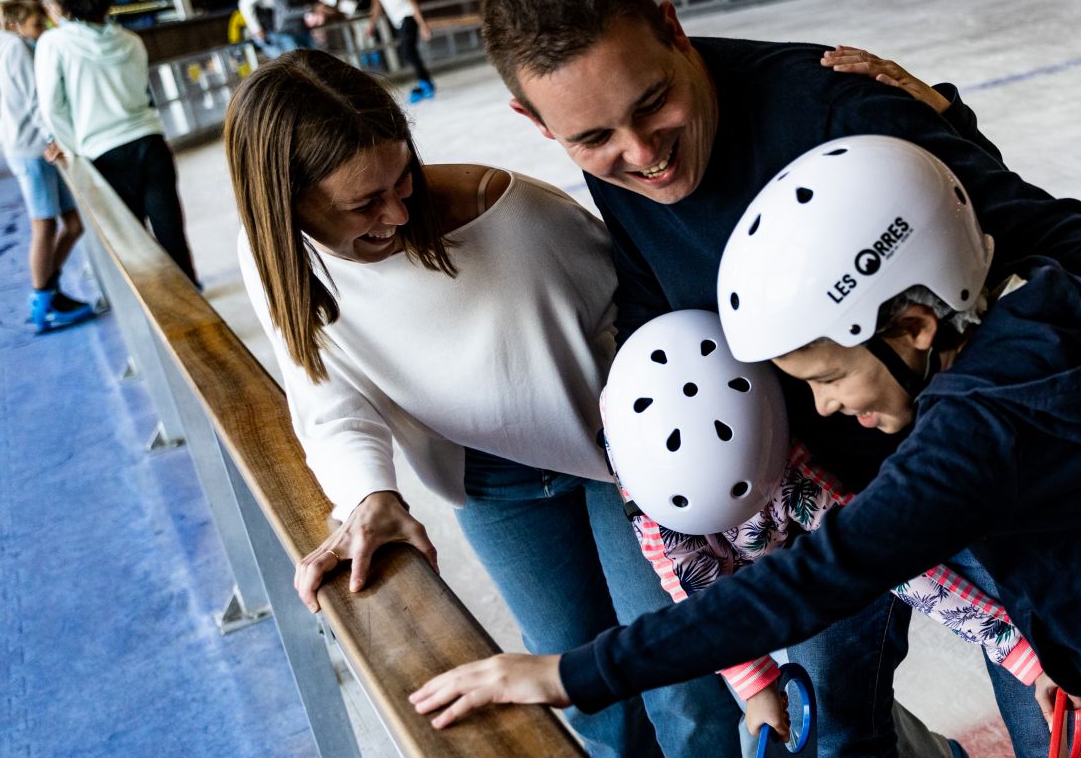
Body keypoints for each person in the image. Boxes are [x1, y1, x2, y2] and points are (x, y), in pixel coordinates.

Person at [477, 0, 1081, 752]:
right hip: (826, 502)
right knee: (828, 727)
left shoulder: (834, 106)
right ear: (538, 123)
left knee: (1062, 727)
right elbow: (655, 312)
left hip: (987, 475)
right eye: (594, 138)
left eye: (653, 103)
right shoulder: (622, 168)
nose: (642, 154)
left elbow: (1058, 236)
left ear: (672, 30)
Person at [411, 137, 1081, 758]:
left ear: (917, 322)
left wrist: (573, 671)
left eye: (825, 375)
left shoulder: (978, 431)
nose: (822, 405)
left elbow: (816, 576)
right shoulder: (1038, 301)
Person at [224, 49, 741, 758]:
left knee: (679, 686)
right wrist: (368, 494)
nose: (399, 212)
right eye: (363, 204)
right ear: (288, 207)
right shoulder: (277, 260)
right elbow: (330, 394)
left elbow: (655, 320)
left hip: (625, 460)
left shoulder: (515, 217)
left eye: (402, 177)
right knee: (573, 686)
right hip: (491, 480)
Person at [603, 310, 1040, 756]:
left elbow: (887, 562)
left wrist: (1012, 646)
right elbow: (702, 605)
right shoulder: (654, 514)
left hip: (833, 545)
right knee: (828, 717)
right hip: (793, 572)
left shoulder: (795, 476)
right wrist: (754, 685)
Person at [36, 0, 199, 284]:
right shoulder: (131, 41)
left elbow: (52, 107)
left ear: (65, 5)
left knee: (131, 239)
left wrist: (73, 151)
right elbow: (141, 91)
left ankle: (160, 308)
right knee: (170, 230)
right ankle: (195, 298)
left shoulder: (54, 43)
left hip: (103, 154)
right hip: (151, 144)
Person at [0, 0, 95, 333]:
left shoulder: (18, 46)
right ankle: (42, 303)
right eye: (36, 25)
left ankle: (50, 288)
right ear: (16, 26)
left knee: (73, 225)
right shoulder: (15, 49)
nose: (42, 31)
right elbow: (35, 102)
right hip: (32, 152)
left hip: (39, 148)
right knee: (44, 227)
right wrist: (53, 138)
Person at [365, 0, 436, 103]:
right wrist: (371, 24)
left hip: (408, 17)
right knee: (409, 52)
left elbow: (413, 3)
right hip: (397, 20)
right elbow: (376, 3)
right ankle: (425, 82)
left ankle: (426, 83)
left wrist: (423, 26)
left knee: (408, 51)